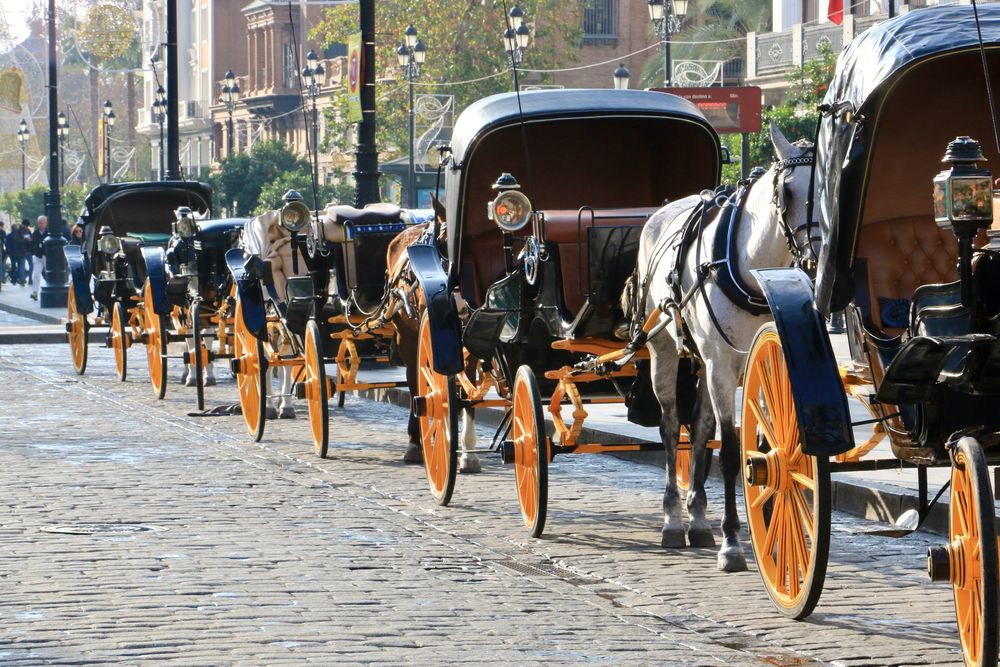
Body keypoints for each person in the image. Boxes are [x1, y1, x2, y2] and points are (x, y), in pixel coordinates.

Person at [30, 215, 47, 300]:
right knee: (36, 274)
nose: (40, 224)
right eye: (39, 223)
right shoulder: (35, 233)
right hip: (38, 256)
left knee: (48, 274)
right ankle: (34, 292)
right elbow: (32, 243)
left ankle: (49, 289)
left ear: (46, 223)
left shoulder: (49, 232)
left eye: (42, 223)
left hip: (47, 256)